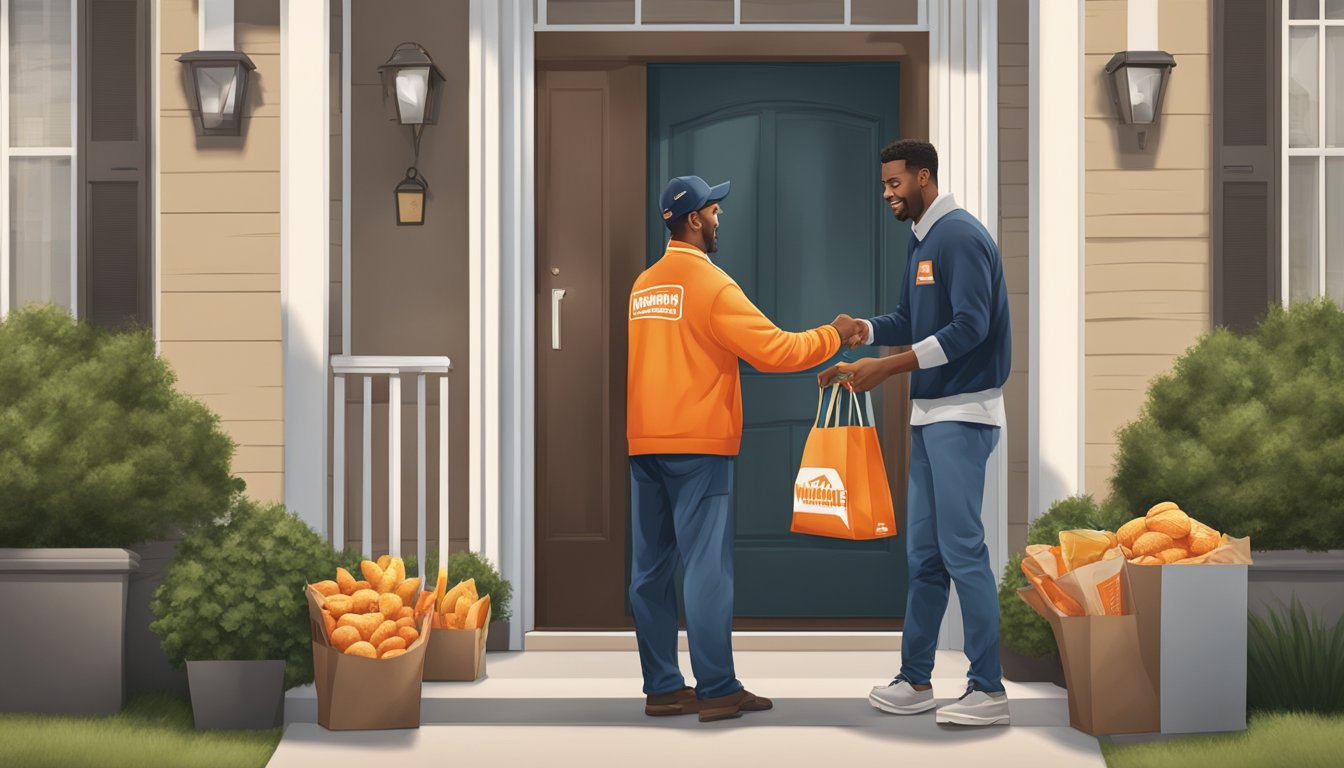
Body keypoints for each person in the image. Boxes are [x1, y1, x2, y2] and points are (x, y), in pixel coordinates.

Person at [628, 175, 866, 723]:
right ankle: (717, 689)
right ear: (693, 220)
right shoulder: (712, 286)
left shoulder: (645, 286)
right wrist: (834, 332)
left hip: (646, 443)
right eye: (714, 210)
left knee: (650, 570)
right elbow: (776, 351)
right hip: (698, 444)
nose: (719, 219)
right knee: (706, 568)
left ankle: (663, 687)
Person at [820, 139, 1013, 727]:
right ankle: (917, 679)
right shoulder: (922, 242)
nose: (887, 194)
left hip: (964, 412)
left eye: (894, 184)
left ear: (924, 177)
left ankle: (988, 688)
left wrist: (888, 367)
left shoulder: (959, 236)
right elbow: (911, 319)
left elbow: (971, 329)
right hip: (930, 415)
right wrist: (866, 331)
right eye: (884, 185)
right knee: (924, 556)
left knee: (962, 551)